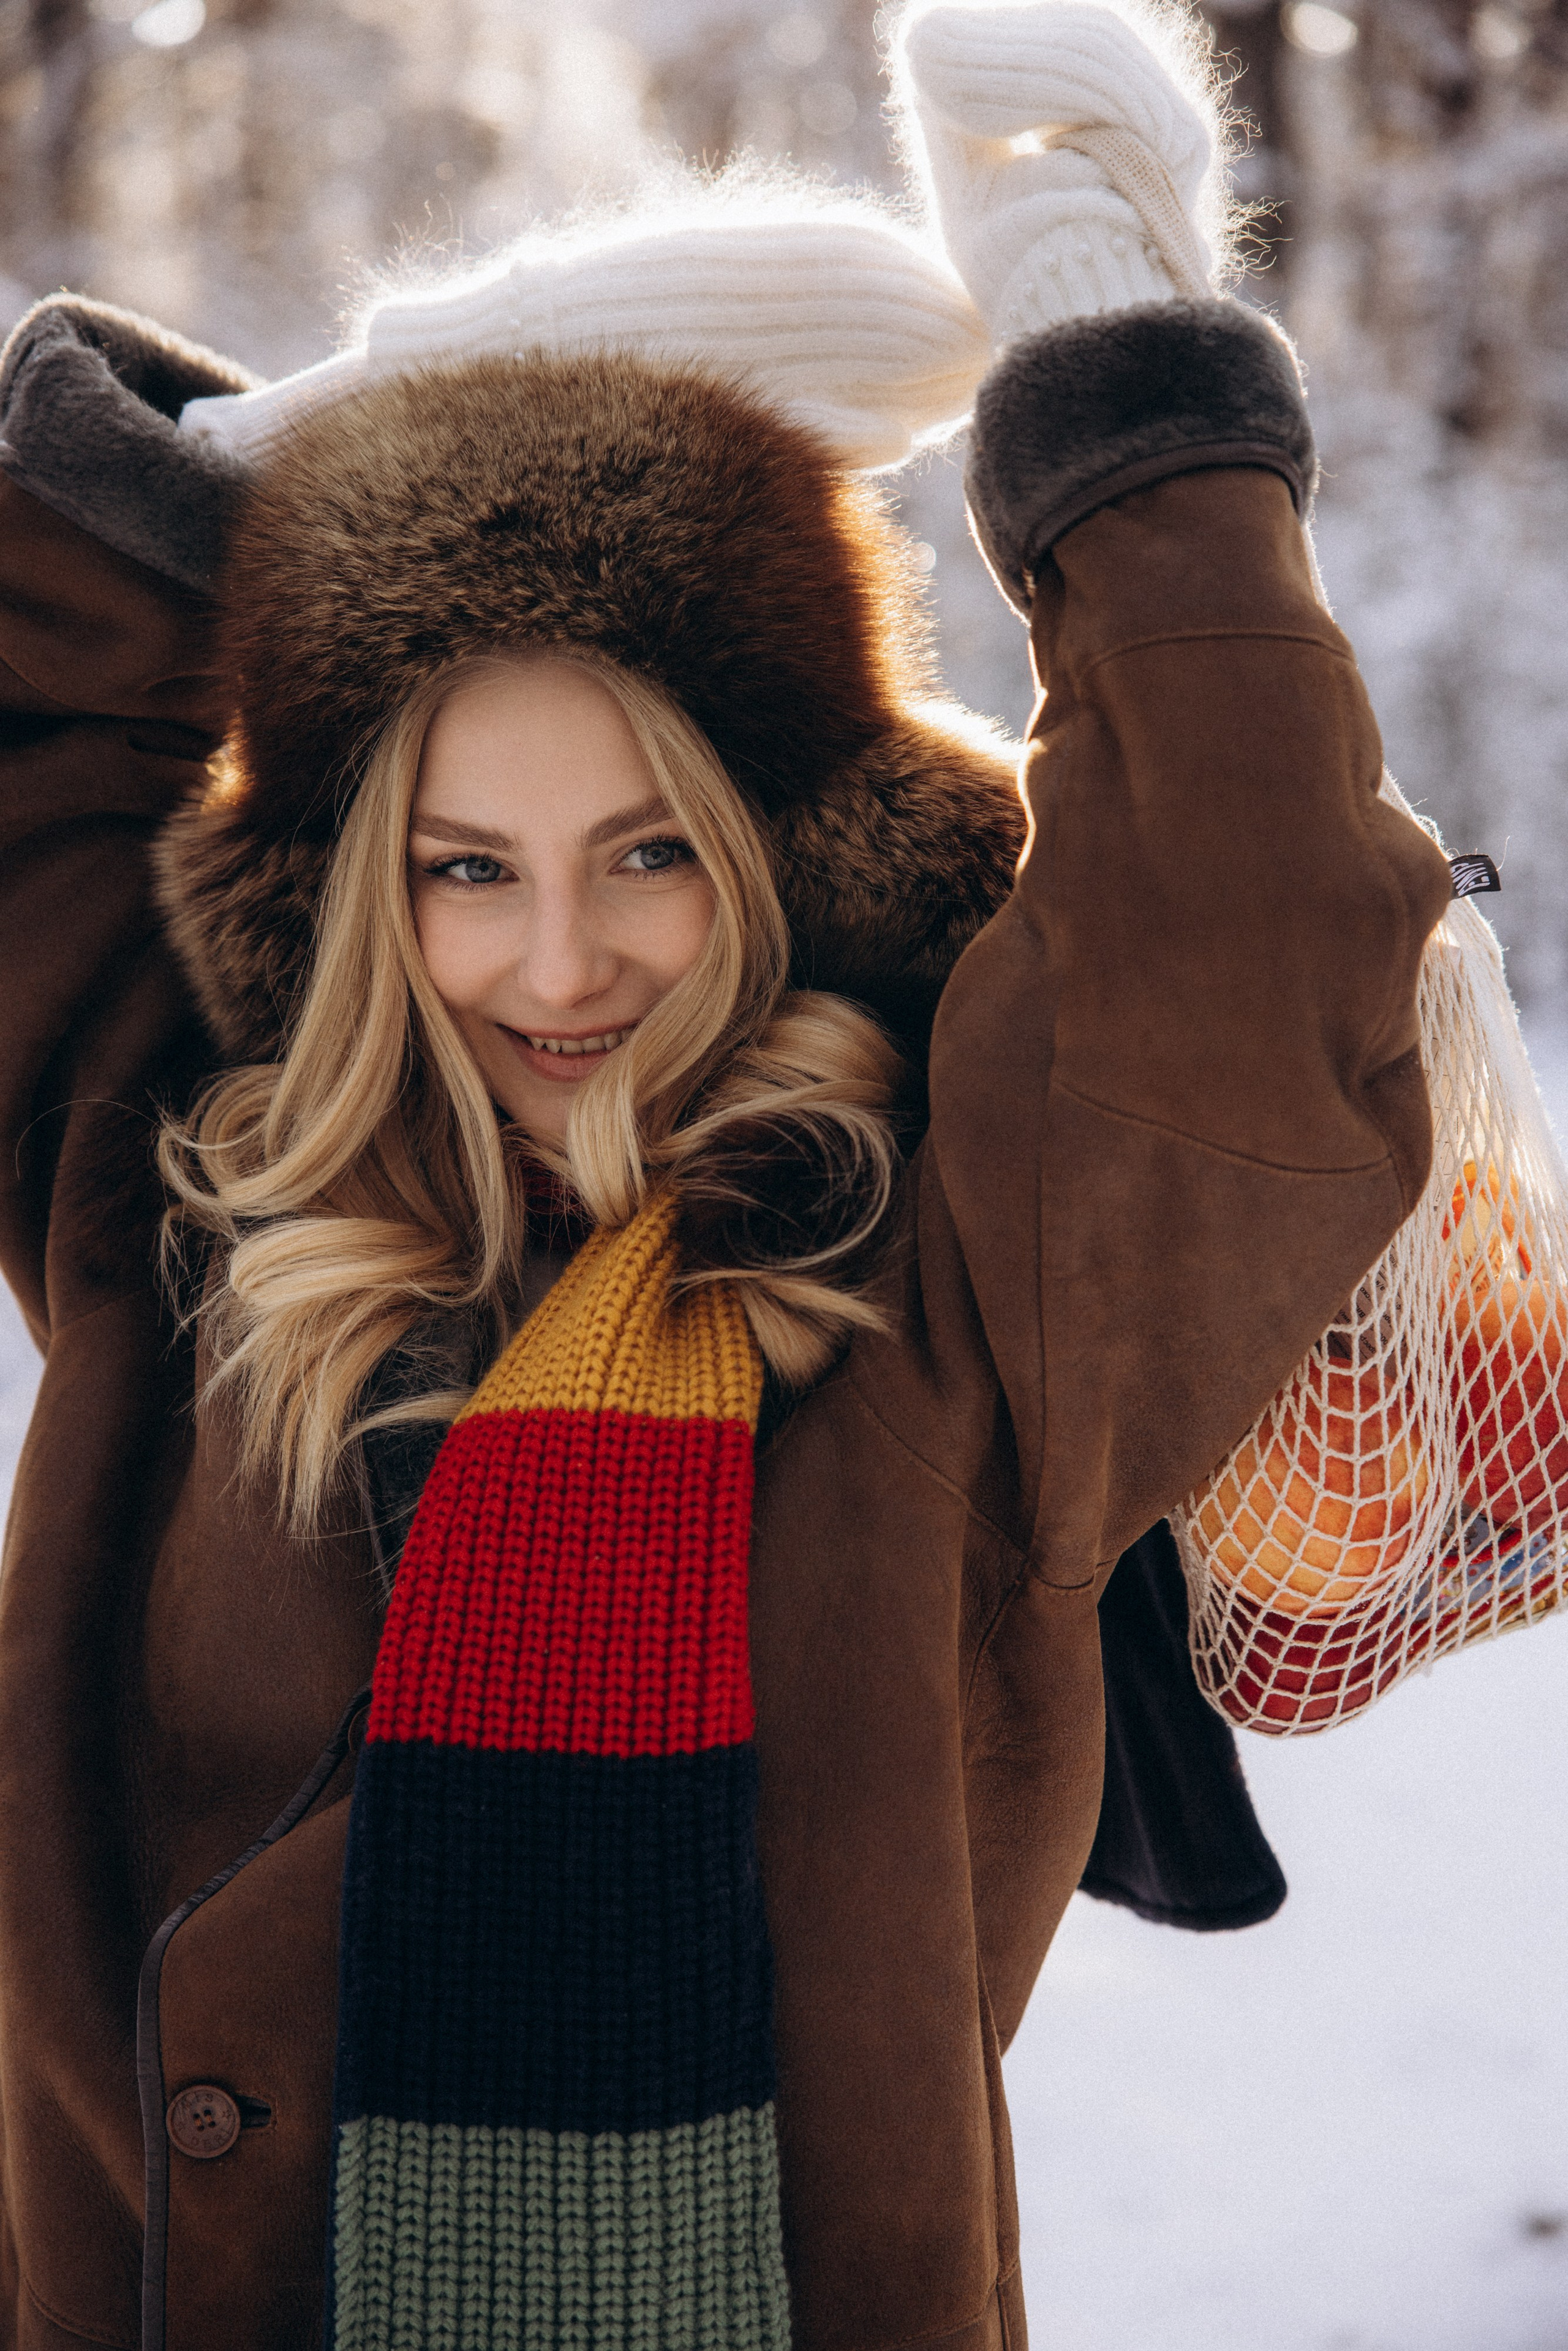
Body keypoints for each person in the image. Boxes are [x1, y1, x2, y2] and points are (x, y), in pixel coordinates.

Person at [0, 4, 1454, 2345]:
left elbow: (1253, 937)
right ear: (367, 893)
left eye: (650, 850)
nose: (556, 964)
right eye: (468, 867)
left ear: (778, 860)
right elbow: (40, 739)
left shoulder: (959, 1284)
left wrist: (1120, 393)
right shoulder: (182, 1203)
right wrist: (285, 466)